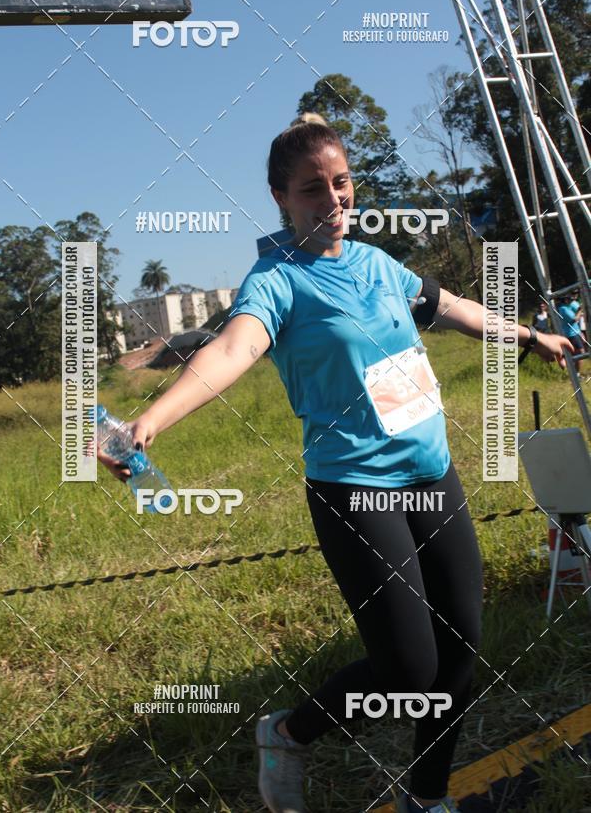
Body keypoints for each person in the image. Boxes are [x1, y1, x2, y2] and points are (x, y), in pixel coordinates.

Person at [98, 113, 573, 813]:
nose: (334, 199)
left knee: (460, 650)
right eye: (312, 188)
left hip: (432, 476)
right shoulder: (276, 282)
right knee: (408, 670)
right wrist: (148, 422)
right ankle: (289, 732)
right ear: (280, 198)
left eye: (341, 182)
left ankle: (427, 798)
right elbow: (229, 350)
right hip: (356, 488)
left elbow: (453, 308)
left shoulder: (377, 264)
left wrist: (529, 335)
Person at [557, 294, 584, 373]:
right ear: (565, 300)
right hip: (571, 334)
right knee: (580, 353)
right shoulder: (563, 309)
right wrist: (580, 310)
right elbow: (574, 319)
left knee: (576, 354)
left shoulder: (567, 307)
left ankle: (574, 372)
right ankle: (576, 374)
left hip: (574, 333)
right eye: (570, 299)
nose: (571, 301)